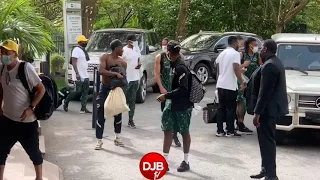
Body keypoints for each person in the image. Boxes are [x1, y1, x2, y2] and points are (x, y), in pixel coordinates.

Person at [0, 40, 46, 180]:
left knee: (34, 153)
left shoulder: (25, 68)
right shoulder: (2, 69)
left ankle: (39, 177)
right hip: (7, 119)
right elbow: (1, 89)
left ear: (15, 54)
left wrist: (31, 108)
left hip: (26, 122)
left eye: (7, 53)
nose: (4, 55)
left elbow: (41, 89)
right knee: (1, 152)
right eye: (2, 53)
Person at [250, 39, 288, 180]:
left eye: (261, 48)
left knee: (267, 143)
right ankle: (265, 169)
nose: (259, 50)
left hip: (267, 111)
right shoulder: (274, 62)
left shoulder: (270, 66)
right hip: (269, 109)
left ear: (265, 49)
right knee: (264, 142)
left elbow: (264, 92)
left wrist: (257, 113)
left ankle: (271, 175)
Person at [157, 41, 193, 172]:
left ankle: (186, 161)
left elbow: (183, 89)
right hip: (171, 104)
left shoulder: (181, 67)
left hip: (182, 106)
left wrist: (166, 96)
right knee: (167, 131)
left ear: (169, 53)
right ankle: (164, 162)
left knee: (184, 132)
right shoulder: (173, 64)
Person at [95, 39, 127, 150]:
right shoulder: (105, 57)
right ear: (116, 48)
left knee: (118, 112)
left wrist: (121, 77)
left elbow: (123, 78)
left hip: (116, 89)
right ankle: (99, 140)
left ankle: (117, 137)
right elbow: (101, 71)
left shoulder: (123, 62)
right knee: (100, 112)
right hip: (104, 88)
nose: (123, 50)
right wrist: (115, 73)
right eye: (121, 48)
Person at [215, 36, 245, 137]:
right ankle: (230, 131)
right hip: (230, 85)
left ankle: (219, 131)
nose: (239, 45)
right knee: (231, 109)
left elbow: (218, 69)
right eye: (238, 43)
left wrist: (218, 81)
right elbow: (236, 68)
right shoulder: (235, 54)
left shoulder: (222, 53)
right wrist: (242, 82)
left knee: (221, 108)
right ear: (235, 42)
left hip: (221, 84)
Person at [154, 38, 182, 147]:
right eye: (163, 45)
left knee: (176, 114)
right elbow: (156, 74)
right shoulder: (160, 57)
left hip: (175, 90)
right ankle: (169, 134)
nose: (164, 47)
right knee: (166, 114)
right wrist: (161, 87)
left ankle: (175, 135)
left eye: (166, 45)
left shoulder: (178, 58)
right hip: (165, 91)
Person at [236, 38, 262, 134]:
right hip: (242, 81)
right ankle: (240, 123)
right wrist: (243, 65)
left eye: (256, 45)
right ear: (248, 45)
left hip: (253, 83)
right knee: (241, 101)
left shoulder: (257, 55)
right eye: (254, 45)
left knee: (248, 102)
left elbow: (261, 65)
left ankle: (240, 122)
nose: (256, 47)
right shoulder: (242, 54)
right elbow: (236, 68)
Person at [63, 35, 91, 114]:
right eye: (84, 41)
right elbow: (74, 62)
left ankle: (83, 108)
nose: (85, 42)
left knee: (85, 91)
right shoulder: (76, 50)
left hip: (85, 75)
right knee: (77, 91)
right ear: (79, 42)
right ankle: (66, 101)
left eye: (86, 41)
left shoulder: (83, 51)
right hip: (78, 74)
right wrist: (77, 73)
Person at [122, 34, 141, 128]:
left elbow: (138, 58)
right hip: (127, 78)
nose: (135, 42)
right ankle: (118, 118)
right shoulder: (124, 50)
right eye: (133, 40)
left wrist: (139, 64)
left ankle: (130, 120)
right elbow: (120, 62)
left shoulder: (136, 48)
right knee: (123, 100)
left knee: (132, 100)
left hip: (135, 77)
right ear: (129, 41)